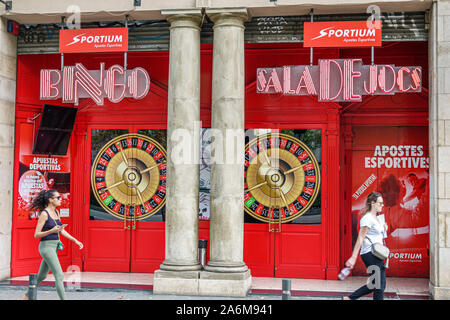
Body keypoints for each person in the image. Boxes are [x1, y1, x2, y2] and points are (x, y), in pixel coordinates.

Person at [23, 189, 83, 300]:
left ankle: (27, 297)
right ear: (51, 200)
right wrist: (51, 231)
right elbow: (36, 234)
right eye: (58, 198)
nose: (61, 199)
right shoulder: (44, 214)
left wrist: (75, 240)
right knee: (59, 275)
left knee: (42, 276)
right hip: (46, 248)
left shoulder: (56, 212)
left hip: (54, 247)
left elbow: (61, 230)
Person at [344, 192, 388, 300]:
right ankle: (350, 298)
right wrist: (353, 257)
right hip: (370, 254)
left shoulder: (377, 217)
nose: (382, 205)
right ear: (373, 203)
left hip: (378, 254)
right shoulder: (367, 218)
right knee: (379, 286)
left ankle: (350, 298)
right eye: (380, 203)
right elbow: (360, 238)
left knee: (376, 284)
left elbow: (378, 234)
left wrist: (384, 228)